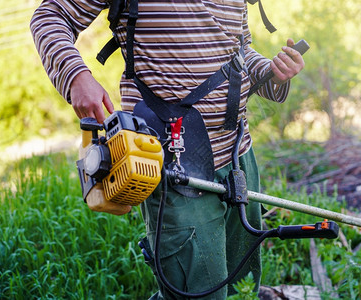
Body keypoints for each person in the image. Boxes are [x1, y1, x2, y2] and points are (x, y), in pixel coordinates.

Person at [31, 0, 305, 299]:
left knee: (242, 288)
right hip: (172, 160)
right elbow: (50, 16)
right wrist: (76, 77)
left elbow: (238, 51)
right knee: (198, 293)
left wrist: (271, 71)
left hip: (239, 156)